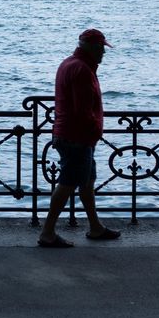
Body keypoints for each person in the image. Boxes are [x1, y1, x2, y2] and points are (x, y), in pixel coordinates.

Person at [37, 27, 121, 246]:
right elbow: (82, 110)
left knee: (86, 181)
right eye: (102, 49)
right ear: (93, 48)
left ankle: (95, 227)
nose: (103, 53)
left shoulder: (69, 64)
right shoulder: (82, 70)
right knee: (67, 183)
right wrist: (95, 131)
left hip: (70, 134)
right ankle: (47, 233)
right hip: (77, 137)